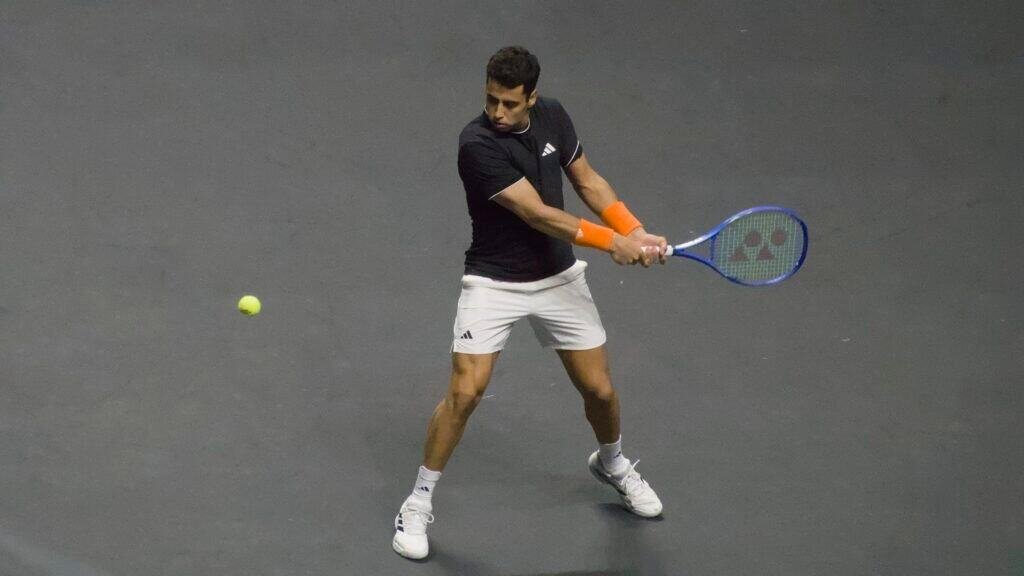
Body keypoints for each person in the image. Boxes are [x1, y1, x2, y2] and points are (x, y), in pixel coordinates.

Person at [393, 46, 667, 561]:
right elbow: (538, 215)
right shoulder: (476, 144)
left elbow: (587, 179)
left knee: (601, 392)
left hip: (558, 277)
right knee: (466, 392)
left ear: (532, 98)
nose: (497, 112)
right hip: (493, 283)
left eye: (510, 104)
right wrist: (613, 244)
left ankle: (611, 463)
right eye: (491, 99)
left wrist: (634, 229)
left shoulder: (555, 116)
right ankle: (417, 501)